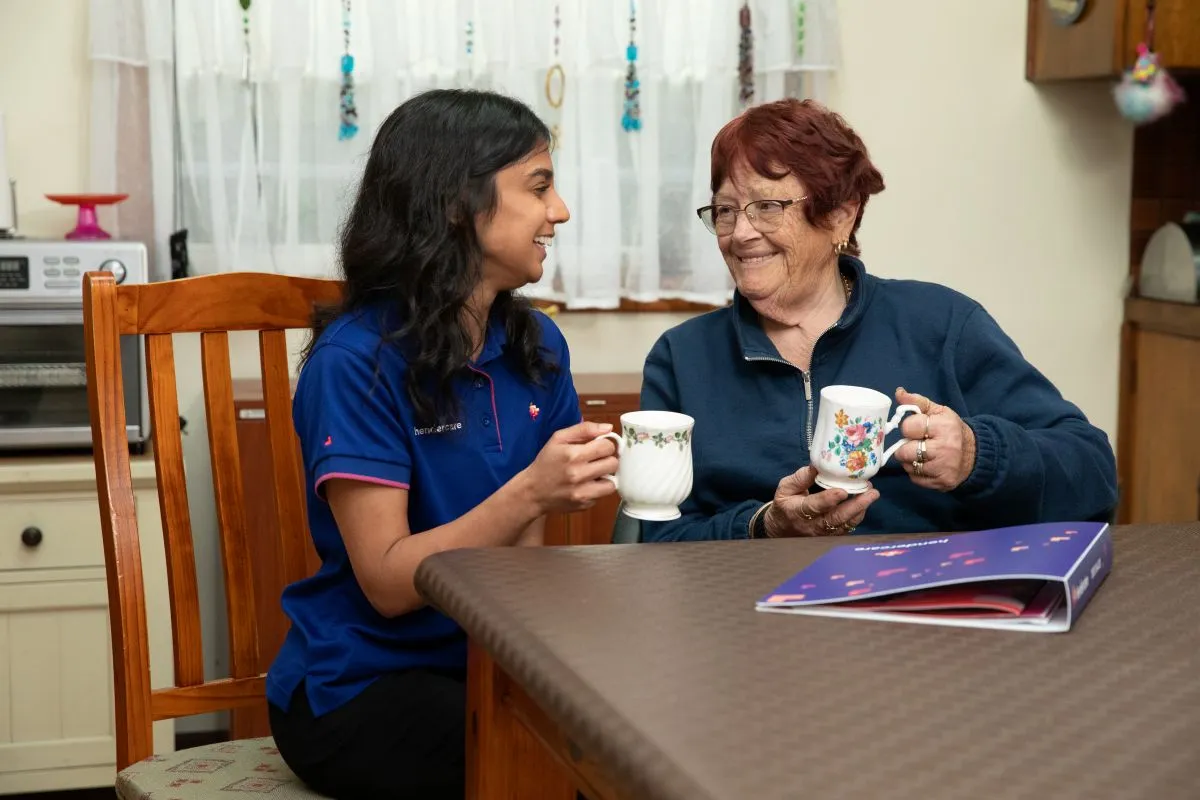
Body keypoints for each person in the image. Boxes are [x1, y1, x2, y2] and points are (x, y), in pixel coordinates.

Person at [265, 89, 619, 799]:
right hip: (360, 685)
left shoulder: (536, 346)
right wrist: (529, 492)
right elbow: (390, 585)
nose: (561, 212)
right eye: (540, 186)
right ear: (459, 202)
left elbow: (519, 579)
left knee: (624, 735)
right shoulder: (355, 361)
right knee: (560, 767)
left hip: (480, 663)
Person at [639, 98, 1117, 542]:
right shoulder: (682, 358)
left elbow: (1092, 475)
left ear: (841, 217)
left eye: (768, 206)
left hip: (925, 609)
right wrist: (763, 526)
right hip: (744, 615)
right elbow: (655, 542)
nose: (741, 233)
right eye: (725, 210)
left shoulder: (942, 325)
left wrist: (977, 457)